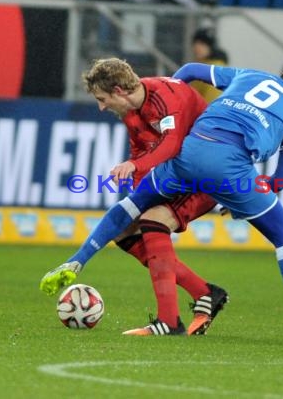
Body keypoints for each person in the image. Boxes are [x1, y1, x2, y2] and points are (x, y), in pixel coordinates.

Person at [41, 61, 283, 342]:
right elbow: (279, 180)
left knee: (130, 208)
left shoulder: (250, 75)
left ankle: (78, 261)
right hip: (230, 166)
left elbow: (191, 70)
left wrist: (173, 92)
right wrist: (239, 199)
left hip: (188, 153)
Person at [40, 58, 228, 336]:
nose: (101, 107)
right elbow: (142, 157)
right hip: (179, 173)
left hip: (209, 174)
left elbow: (171, 144)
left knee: (153, 222)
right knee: (125, 229)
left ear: (119, 91)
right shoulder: (131, 114)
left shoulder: (166, 97)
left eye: (102, 99)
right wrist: (137, 194)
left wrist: (135, 168)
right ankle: (204, 292)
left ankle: (169, 321)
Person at [189, 27, 229, 103]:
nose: (197, 47)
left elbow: (211, 100)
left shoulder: (215, 69)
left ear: (211, 47)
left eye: (202, 44)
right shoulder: (200, 66)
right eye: (195, 43)